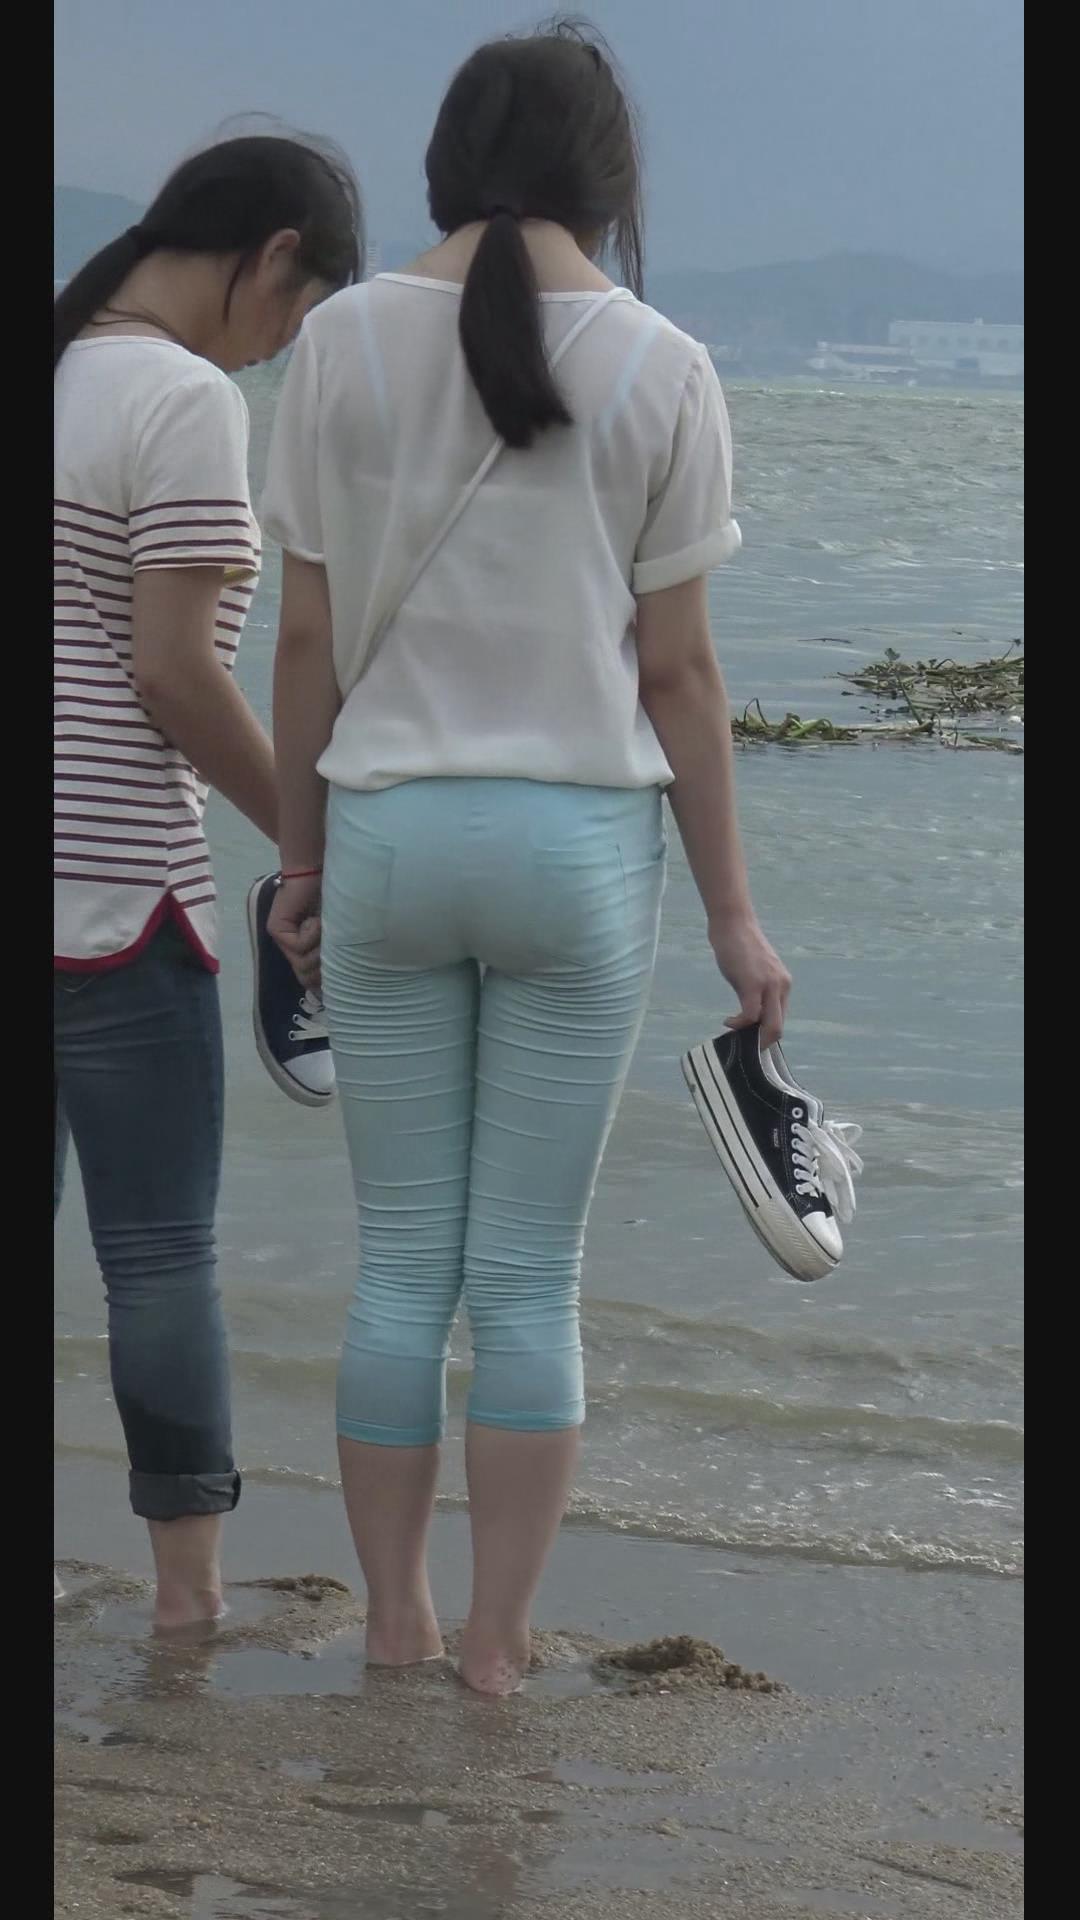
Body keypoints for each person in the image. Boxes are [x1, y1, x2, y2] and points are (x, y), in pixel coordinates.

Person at [260, 22, 790, 1694]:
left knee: (401, 1268)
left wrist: (297, 864)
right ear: (607, 179)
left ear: (446, 161)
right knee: (528, 1279)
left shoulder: (336, 342)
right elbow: (679, 675)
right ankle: (495, 1648)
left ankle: (394, 1626)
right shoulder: (666, 366)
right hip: (576, 851)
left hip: (390, 837)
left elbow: (306, 643)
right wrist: (735, 918)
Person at [53, 132, 363, 1628]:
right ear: (274, 254)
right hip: (119, 903)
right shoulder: (180, 399)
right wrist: (310, 842)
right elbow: (174, 673)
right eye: (299, 310)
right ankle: (187, 1598)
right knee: (160, 1258)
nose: (283, 346)